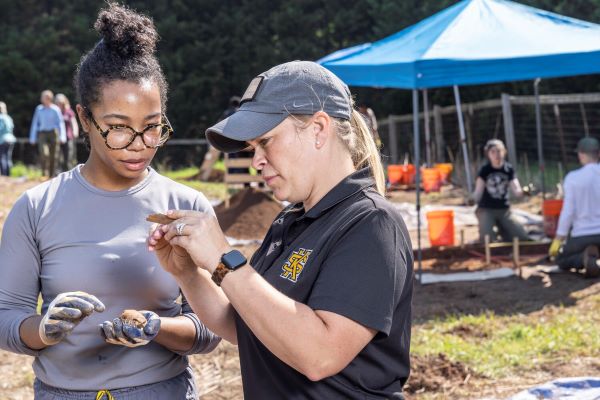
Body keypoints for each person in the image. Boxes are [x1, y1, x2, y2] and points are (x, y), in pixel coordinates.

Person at [148, 61, 414, 399]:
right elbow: (242, 322)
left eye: (266, 141)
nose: (256, 160)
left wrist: (225, 259)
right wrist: (188, 274)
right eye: (253, 148)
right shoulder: (289, 221)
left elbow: (320, 355)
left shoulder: (371, 223)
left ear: (319, 128)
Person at [0, 3, 219, 398]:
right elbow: (6, 318)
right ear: (84, 119)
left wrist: (157, 328)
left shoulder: (187, 205)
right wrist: (44, 330)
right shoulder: (36, 207)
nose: (139, 146)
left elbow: (211, 331)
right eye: (118, 128)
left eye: (152, 128)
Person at [549, 137, 600, 278]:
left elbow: (568, 212)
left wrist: (558, 239)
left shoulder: (573, 178)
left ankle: (584, 259)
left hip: (582, 235)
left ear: (581, 155)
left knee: (561, 260)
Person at [472, 139, 530, 243]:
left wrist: (525, 191)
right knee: (487, 240)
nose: (496, 154)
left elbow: (517, 191)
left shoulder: (509, 169)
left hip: (504, 211)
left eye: (499, 151)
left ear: (504, 152)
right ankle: (493, 228)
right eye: (493, 152)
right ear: (488, 154)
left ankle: (503, 229)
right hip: (486, 209)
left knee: (521, 237)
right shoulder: (485, 170)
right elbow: (478, 191)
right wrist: (472, 200)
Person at [29, 90, 66, 177]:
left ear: (50, 98)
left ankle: (51, 175)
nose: (44, 99)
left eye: (46, 97)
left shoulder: (55, 109)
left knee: (54, 155)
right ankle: (44, 173)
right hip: (42, 133)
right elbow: (35, 123)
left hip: (53, 133)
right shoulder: (39, 109)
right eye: (43, 97)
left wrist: (62, 136)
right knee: (44, 153)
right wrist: (32, 137)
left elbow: (60, 123)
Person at [55, 93, 79, 172]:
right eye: (58, 102)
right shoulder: (55, 111)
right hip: (57, 138)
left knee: (68, 156)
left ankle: (69, 172)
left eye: (61, 102)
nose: (59, 104)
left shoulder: (68, 111)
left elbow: (73, 122)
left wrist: (75, 131)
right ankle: (59, 173)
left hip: (68, 137)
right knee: (58, 157)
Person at [0, 101, 16, 176]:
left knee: (2, 157)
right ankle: (9, 175)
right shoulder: (8, 117)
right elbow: (12, 128)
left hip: (3, 139)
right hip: (11, 139)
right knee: (8, 157)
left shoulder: (0, 118)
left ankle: (4, 175)